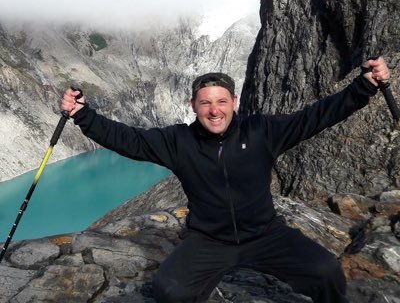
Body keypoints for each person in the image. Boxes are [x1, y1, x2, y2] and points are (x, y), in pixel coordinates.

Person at [61, 56, 390, 303]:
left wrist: (364, 86)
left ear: (234, 102)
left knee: (326, 272)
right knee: (169, 291)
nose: (214, 110)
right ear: (193, 106)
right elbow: (128, 140)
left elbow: (316, 117)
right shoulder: (178, 142)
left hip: (265, 234)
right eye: (205, 103)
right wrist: (82, 115)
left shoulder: (261, 131)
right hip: (208, 241)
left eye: (221, 101)